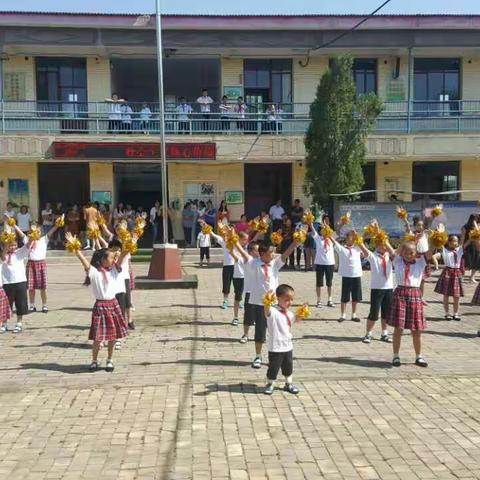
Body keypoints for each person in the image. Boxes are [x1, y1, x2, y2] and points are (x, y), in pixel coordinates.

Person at [234, 238, 299, 369]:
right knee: (259, 330)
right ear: (262, 254)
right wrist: (234, 240)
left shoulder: (275, 263)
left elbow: (286, 253)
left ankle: (275, 356)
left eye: (274, 251)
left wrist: (295, 242)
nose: (273, 254)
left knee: (276, 330)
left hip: (275, 304)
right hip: (259, 303)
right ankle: (258, 356)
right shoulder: (254, 263)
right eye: (271, 252)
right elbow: (242, 253)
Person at [67, 238, 128, 372]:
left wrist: (131, 240)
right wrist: (76, 249)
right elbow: (84, 262)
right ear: (102, 260)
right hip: (100, 306)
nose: (114, 260)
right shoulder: (94, 272)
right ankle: (94, 360)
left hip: (113, 304)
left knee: (113, 335)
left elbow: (123, 255)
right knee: (97, 337)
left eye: (114, 258)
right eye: (111, 258)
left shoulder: (114, 270)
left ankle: (109, 359)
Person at [386, 241, 434, 367]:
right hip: (400, 293)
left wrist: (435, 239)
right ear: (401, 252)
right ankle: (396, 356)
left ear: (416, 253)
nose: (409, 254)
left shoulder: (420, 262)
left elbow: (430, 252)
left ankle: (419, 356)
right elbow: (389, 247)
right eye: (406, 252)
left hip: (414, 294)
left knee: (416, 329)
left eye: (411, 252)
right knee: (398, 328)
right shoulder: (397, 261)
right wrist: (383, 237)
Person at [263, 284, 301, 395]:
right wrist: (267, 301)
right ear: (278, 298)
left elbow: (295, 321)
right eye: (287, 300)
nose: (290, 302)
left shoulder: (289, 313)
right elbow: (266, 310)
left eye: (291, 300)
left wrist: (301, 313)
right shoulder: (273, 311)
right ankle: (270, 383)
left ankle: (288, 383)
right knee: (273, 367)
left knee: (288, 366)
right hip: (275, 346)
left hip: (288, 346)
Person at [357, 234, 394, 343]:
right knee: (374, 312)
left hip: (388, 288)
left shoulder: (390, 256)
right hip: (377, 288)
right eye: (381, 244)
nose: (384, 247)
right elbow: (363, 247)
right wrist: (360, 238)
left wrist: (386, 242)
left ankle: (384, 333)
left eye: (385, 244)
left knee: (386, 313)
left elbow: (396, 252)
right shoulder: (373, 256)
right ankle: (368, 334)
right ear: (377, 245)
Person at [1, 224, 32, 333]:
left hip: (20, 282)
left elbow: (28, 243)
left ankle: (19, 323)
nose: (12, 247)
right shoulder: (4, 255)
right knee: (6, 305)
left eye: (14, 245)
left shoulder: (20, 252)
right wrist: (7, 241)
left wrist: (32, 235)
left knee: (20, 303)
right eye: (10, 245)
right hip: (7, 283)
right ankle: (4, 324)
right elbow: (3, 256)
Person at [329, 230, 365, 322]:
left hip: (356, 275)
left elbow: (363, 238)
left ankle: (354, 314)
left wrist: (356, 234)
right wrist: (327, 233)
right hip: (346, 276)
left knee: (355, 296)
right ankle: (343, 314)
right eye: (350, 237)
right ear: (346, 239)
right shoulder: (342, 249)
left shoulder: (357, 248)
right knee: (344, 296)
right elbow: (333, 240)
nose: (352, 239)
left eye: (353, 238)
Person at [27, 220, 62, 313]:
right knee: (31, 287)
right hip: (31, 264)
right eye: (33, 230)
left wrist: (57, 225)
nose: (35, 232)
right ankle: (32, 305)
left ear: (40, 231)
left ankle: (44, 305)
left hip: (41, 264)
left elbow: (52, 231)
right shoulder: (28, 240)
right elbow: (21, 234)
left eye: (37, 230)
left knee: (43, 287)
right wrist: (13, 225)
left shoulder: (44, 239)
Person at [434, 235, 465, 321]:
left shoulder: (459, 250)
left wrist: (468, 235)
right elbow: (439, 243)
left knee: (457, 295)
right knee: (446, 294)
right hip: (448, 272)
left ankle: (456, 313)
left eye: (456, 241)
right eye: (453, 241)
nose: (455, 243)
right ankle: (447, 313)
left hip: (456, 273)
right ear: (449, 242)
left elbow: (465, 241)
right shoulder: (445, 250)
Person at [307, 217, 336, 308]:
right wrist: (309, 220)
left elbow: (337, 230)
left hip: (330, 263)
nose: (324, 232)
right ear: (320, 232)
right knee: (319, 283)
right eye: (322, 230)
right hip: (319, 263)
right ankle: (319, 300)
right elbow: (312, 227)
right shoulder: (318, 238)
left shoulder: (331, 239)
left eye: (325, 230)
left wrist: (327, 227)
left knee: (329, 283)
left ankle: (330, 299)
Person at [210, 224, 236, 309]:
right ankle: (225, 301)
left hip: (236, 266)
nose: (225, 234)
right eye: (224, 232)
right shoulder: (222, 240)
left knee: (238, 285)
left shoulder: (235, 240)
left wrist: (230, 231)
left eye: (228, 232)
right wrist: (205, 225)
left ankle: (239, 300)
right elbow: (212, 234)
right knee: (226, 284)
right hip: (227, 266)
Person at [239, 241, 259, 344]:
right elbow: (241, 251)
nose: (259, 252)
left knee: (263, 316)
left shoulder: (262, 261)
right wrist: (235, 241)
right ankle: (245, 334)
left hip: (261, 293)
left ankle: (262, 335)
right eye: (257, 250)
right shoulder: (248, 260)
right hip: (250, 292)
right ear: (251, 251)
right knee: (248, 315)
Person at [231, 231, 249, 326]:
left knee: (249, 298)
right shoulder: (234, 248)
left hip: (248, 276)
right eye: (245, 239)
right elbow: (236, 257)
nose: (247, 241)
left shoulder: (248, 248)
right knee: (238, 297)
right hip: (238, 275)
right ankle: (236, 317)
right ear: (240, 239)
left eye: (247, 239)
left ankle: (250, 317)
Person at [461, 214, 480, 283]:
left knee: (476, 262)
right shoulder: (465, 227)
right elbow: (462, 238)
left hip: (477, 246)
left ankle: (472, 277)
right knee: (466, 263)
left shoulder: (478, 227)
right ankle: (462, 276)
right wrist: (462, 246)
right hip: (468, 246)